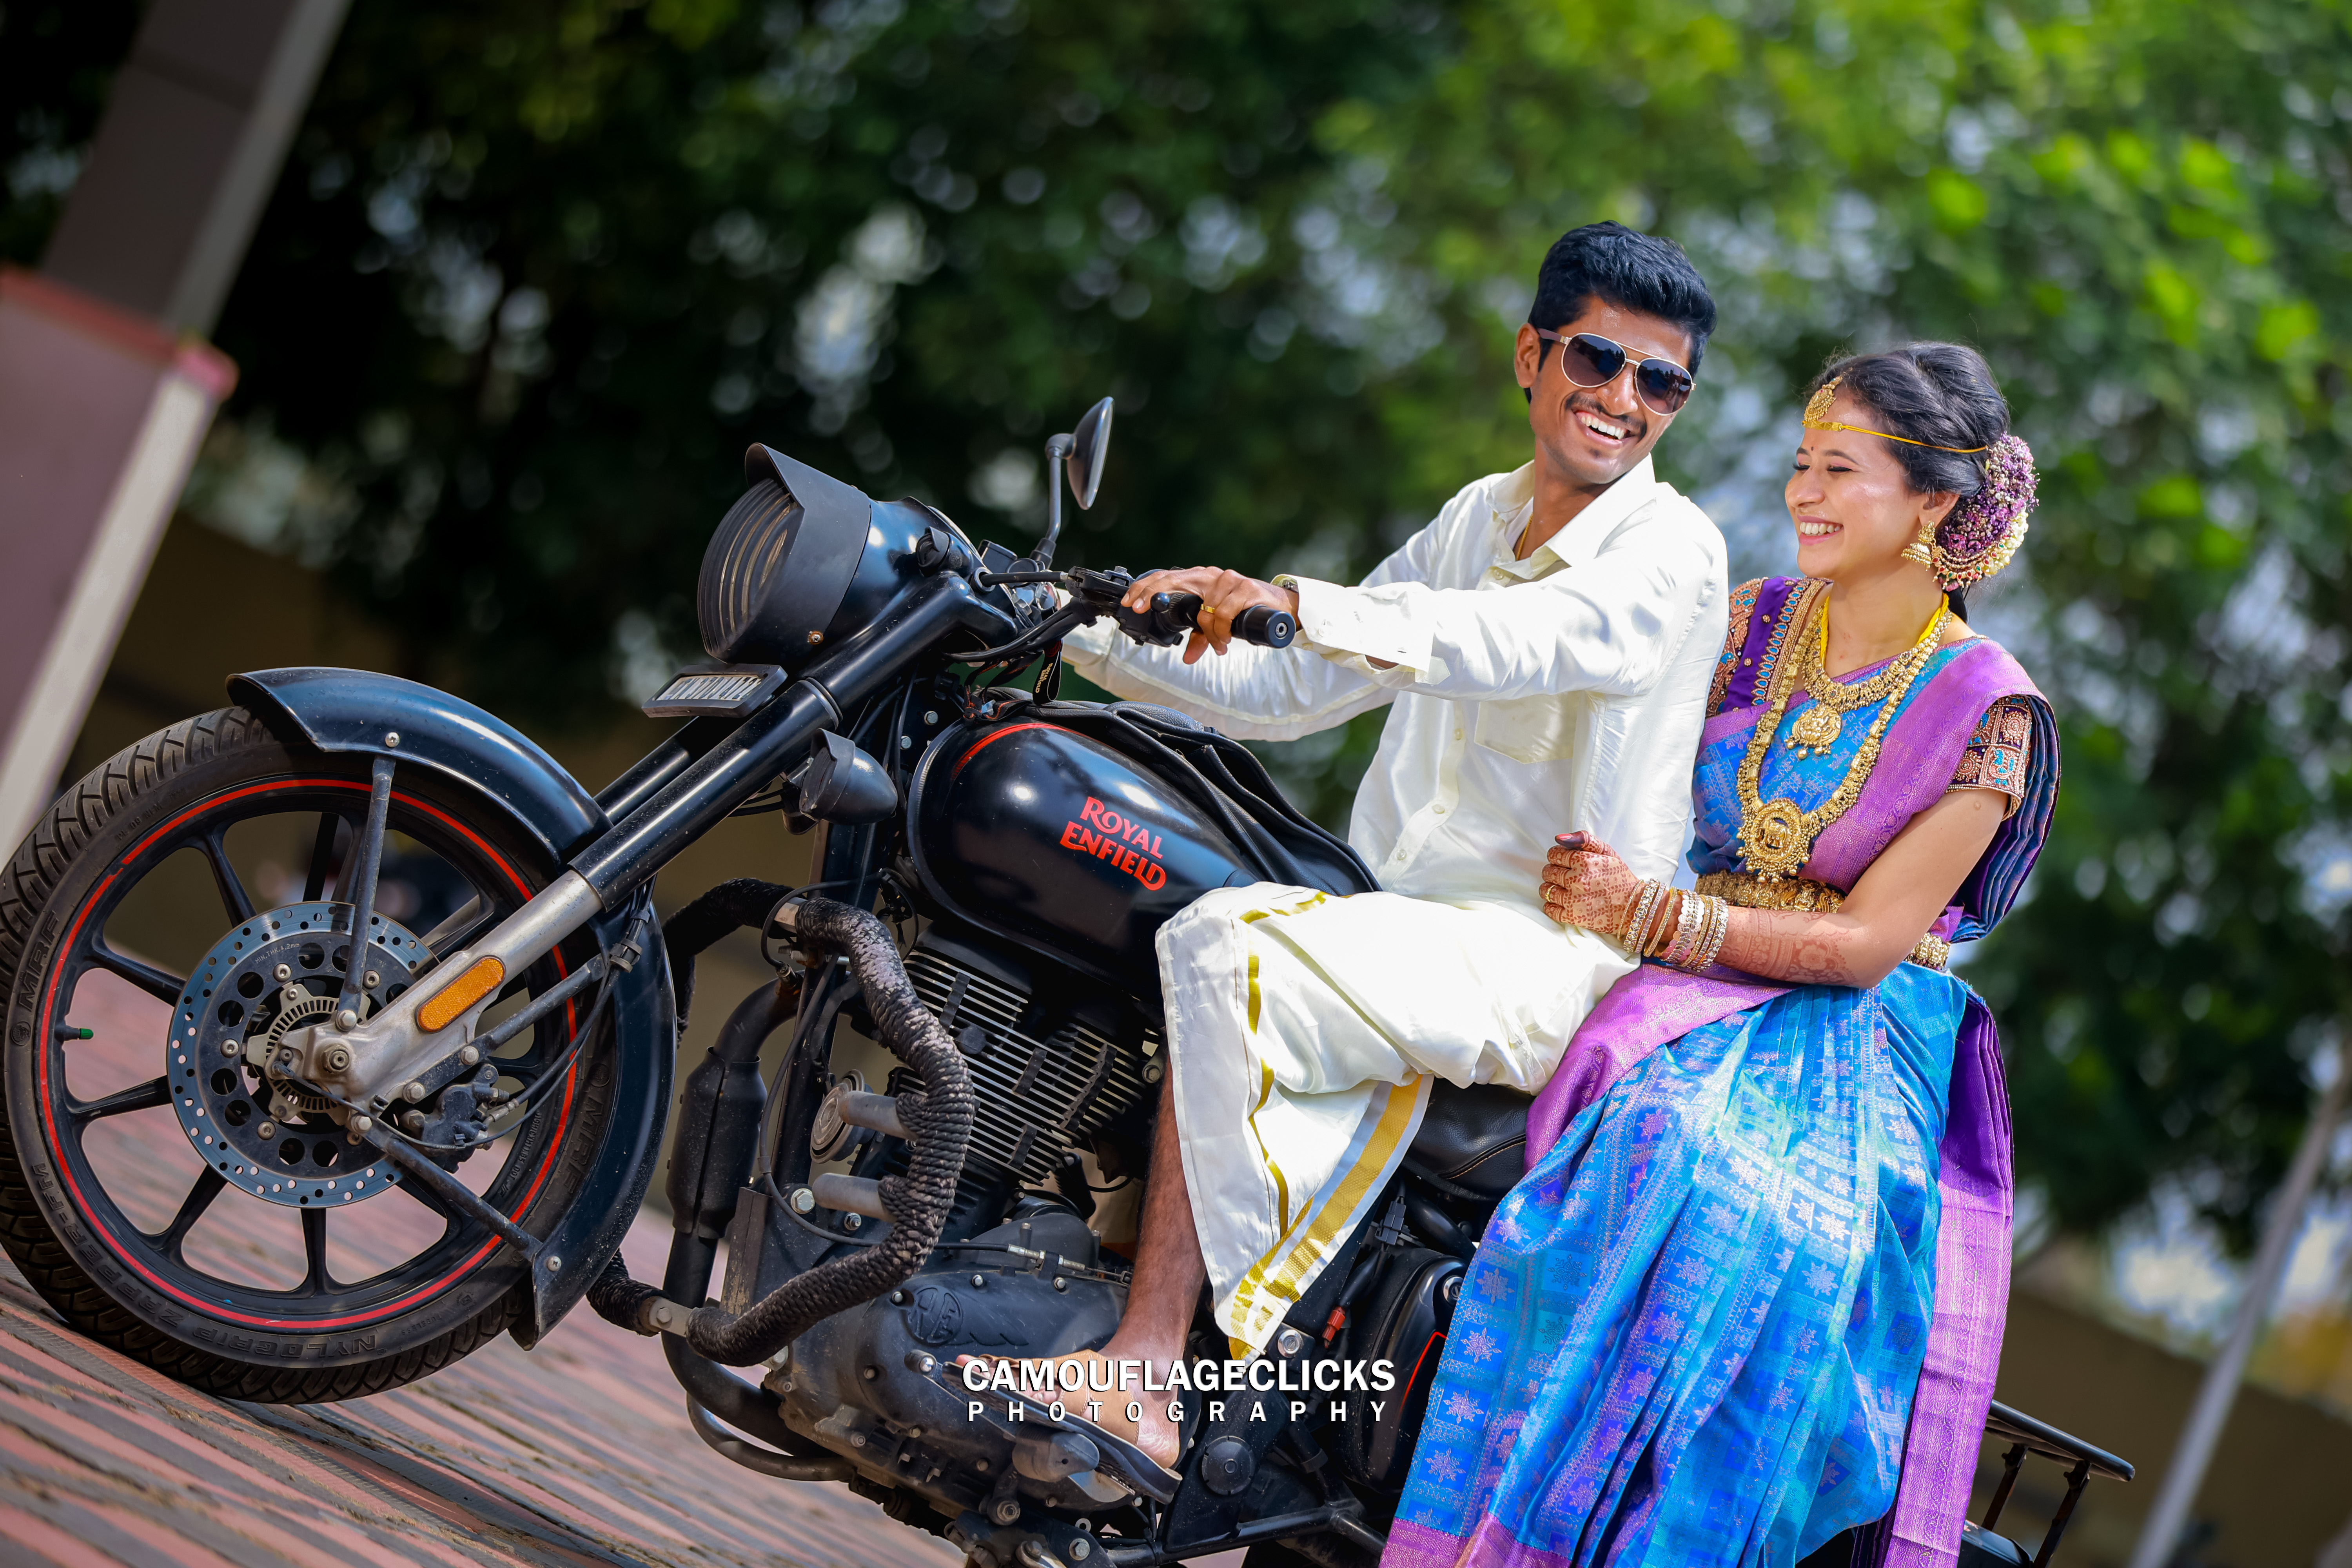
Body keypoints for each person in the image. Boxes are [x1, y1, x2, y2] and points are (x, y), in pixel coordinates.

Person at [1029, 223, 1730, 1466]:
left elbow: (1510, 641)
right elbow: (1295, 691)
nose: (1624, 400)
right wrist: (1078, 625)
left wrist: (1299, 601)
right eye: (1598, 360)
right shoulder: (1481, 515)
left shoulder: (1670, 551)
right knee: (1158, 887)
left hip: (1540, 957)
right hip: (1405, 918)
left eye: (1660, 381)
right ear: (1533, 354)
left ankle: (1147, 1376)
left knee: (1223, 941)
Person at [1385, 343, 2053, 1567]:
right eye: (1802, 463)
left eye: (1841, 470)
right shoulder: (1748, 624)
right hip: (1657, 953)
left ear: (1937, 506)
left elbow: (1862, 946)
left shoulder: (1990, 713)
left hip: (1838, 1040)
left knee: (1712, 1186)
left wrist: (1652, 920)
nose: (1803, 491)